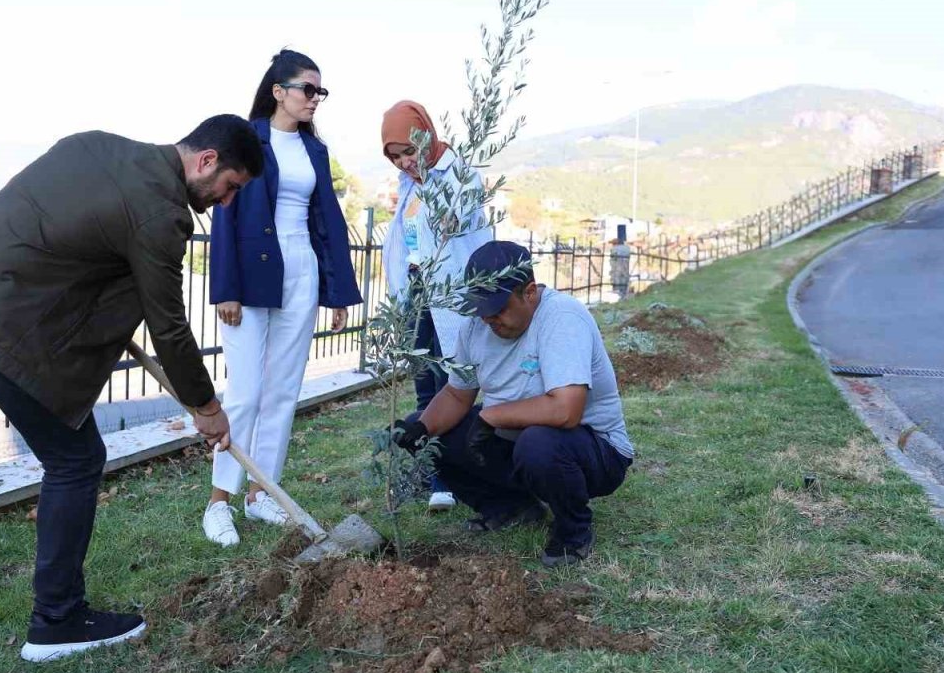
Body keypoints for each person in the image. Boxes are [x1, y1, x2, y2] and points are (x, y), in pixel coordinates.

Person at [0, 116, 265, 665]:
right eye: (231, 187)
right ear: (207, 161)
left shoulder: (95, 143)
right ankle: (57, 621)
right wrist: (206, 406)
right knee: (76, 460)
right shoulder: (162, 211)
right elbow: (167, 322)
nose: (225, 202)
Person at [393, 241, 634, 567]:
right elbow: (455, 395)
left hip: (594, 451)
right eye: (482, 307)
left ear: (530, 292)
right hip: (518, 441)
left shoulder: (562, 317)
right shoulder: (476, 327)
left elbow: (566, 410)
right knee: (435, 432)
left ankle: (573, 530)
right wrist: (419, 428)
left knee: (539, 442)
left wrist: (491, 415)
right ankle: (510, 507)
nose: (489, 317)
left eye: (499, 307)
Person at [204, 50, 362, 547]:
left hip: (302, 270)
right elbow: (224, 213)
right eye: (307, 89)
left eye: (321, 92)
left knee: (283, 390)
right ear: (279, 91)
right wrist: (225, 286)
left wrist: (336, 293)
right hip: (251, 275)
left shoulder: (315, 151)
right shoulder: (247, 138)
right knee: (246, 390)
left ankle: (261, 492)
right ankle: (218, 503)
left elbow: (328, 222)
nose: (315, 99)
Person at [379, 100, 492, 511]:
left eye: (409, 151)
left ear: (425, 135)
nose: (405, 163)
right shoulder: (412, 184)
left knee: (454, 385)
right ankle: (434, 477)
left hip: (449, 298)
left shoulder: (460, 175)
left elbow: (458, 225)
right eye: (396, 158)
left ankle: (461, 473)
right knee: (425, 387)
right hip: (417, 299)